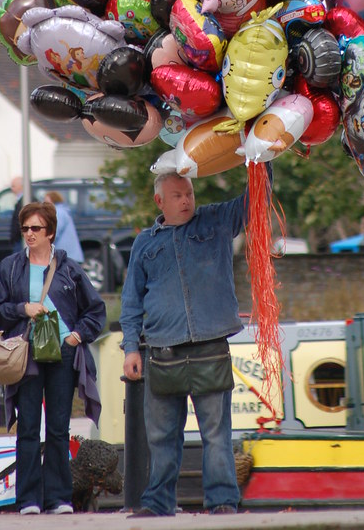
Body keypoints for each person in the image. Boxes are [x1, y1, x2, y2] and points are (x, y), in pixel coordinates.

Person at [121, 172, 249, 517]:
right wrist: (131, 348)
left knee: (217, 434)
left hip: (209, 345)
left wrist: (260, 160)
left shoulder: (216, 220)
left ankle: (222, 502)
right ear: (159, 201)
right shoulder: (144, 242)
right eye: (177, 195)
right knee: (161, 437)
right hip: (162, 350)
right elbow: (131, 301)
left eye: (189, 193)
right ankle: (158, 503)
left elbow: (255, 201)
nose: (186, 200)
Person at [0, 200, 106, 516]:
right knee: (27, 426)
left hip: (63, 353)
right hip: (28, 353)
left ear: (50, 232)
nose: (29, 234)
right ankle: (28, 500)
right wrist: (22, 309)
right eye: (25, 228)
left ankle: (59, 498)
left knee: (58, 427)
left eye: (36, 228)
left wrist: (76, 335)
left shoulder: (68, 267)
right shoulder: (11, 267)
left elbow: (95, 310)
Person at [43, 191, 84, 263]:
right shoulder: (63, 211)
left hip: (66, 257)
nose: (44, 203)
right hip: (70, 256)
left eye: (46, 201)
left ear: (53, 200)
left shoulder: (58, 213)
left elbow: (54, 232)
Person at [9, 176, 24, 252]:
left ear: (20, 186)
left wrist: (15, 236)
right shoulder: (20, 200)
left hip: (21, 240)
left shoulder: (25, 201)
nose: (11, 189)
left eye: (13, 186)